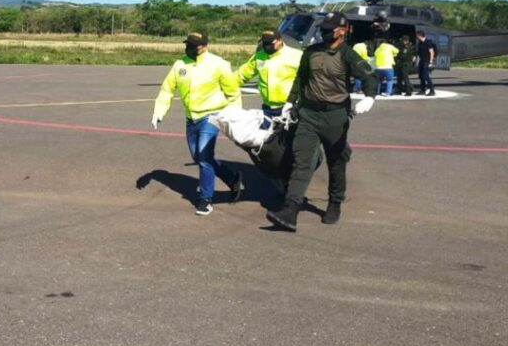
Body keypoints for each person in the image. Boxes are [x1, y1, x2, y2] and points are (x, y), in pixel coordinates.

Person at [266, 12, 377, 232]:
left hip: (335, 116)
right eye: (324, 28)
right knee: (301, 162)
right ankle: (291, 210)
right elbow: (301, 78)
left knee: (336, 162)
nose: (325, 32)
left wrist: (369, 96)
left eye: (330, 28)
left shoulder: (348, 55)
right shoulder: (310, 53)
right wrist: (290, 102)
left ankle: (335, 203)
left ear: (342, 31)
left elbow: (369, 76)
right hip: (308, 114)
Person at [152, 32, 244, 216]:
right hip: (191, 118)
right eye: (187, 44)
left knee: (203, 157)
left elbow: (233, 92)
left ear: (203, 46)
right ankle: (232, 178)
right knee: (199, 156)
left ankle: (206, 199)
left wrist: (236, 116)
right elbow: (167, 89)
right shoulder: (180, 64)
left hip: (212, 116)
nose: (188, 48)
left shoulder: (219, 64)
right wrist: (159, 111)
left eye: (193, 45)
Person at [236, 30, 303, 118]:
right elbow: (242, 75)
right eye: (265, 43)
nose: (267, 46)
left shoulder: (296, 56)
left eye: (270, 44)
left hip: (289, 106)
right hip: (267, 107)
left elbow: (305, 79)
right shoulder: (259, 56)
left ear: (279, 41)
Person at [415, 30, 437, 96]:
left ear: (420, 35)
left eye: (417, 35)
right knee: (421, 76)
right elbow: (419, 53)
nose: (416, 37)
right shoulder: (420, 43)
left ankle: (432, 91)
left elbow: (431, 52)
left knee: (426, 76)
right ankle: (422, 90)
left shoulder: (428, 42)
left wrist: (430, 62)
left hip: (426, 62)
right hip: (421, 61)